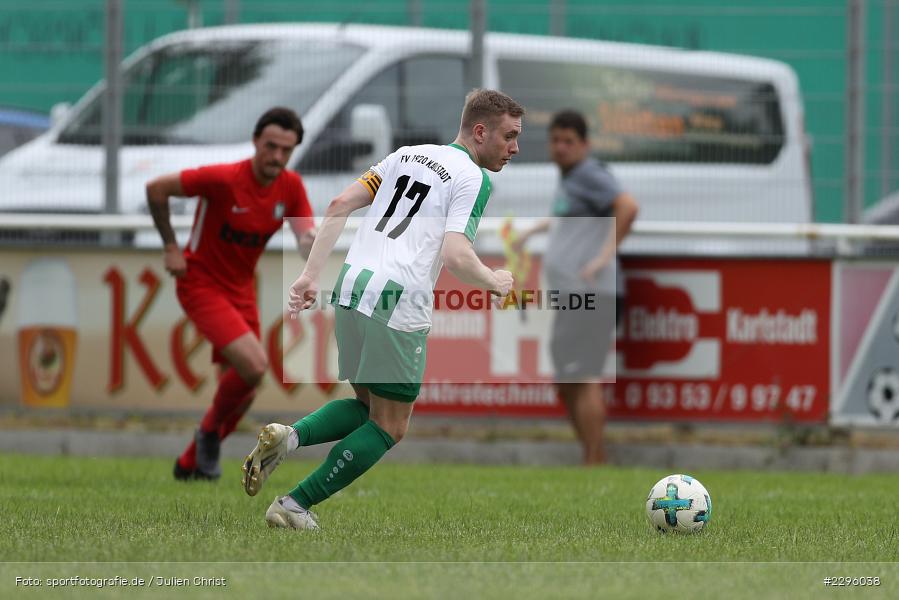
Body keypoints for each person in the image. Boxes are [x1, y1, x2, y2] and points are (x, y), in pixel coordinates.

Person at [240, 89, 522, 530]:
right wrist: (495, 281)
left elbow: (338, 206)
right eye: (509, 136)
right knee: (391, 426)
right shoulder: (473, 177)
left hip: (351, 289)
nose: (515, 148)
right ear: (480, 131)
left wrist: (310, 276)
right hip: (398, 301)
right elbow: (455, 254)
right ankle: (295, 504)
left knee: (368, 404)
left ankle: (290, 437)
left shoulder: (406, 155)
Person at [146, 107, 316, 481]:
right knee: (254, 367)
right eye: (270, 146)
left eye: (285, 150)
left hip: (241, 290)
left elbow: (305, 234)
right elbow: (156, 189)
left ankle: (189, 465)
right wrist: (171, 246)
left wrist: (313, 246)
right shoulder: (223, 179)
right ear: (256, 141)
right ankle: (207, 435)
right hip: (201, 283)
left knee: (244, 393)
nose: (276, 156)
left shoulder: (290, 186)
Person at [514, 109, 639, 465]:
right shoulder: (570, 179)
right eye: (555, 140)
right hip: (574, 296)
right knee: (567, 379)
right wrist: (532, 232)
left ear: (585, 144)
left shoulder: (589, 174)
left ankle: (594, 460)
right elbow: (566, 218)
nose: (561, 147)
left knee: (582, 377)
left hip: (593, 293)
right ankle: (592, 455)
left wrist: (603, 257)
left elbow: (628, 206)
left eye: (569, 141)